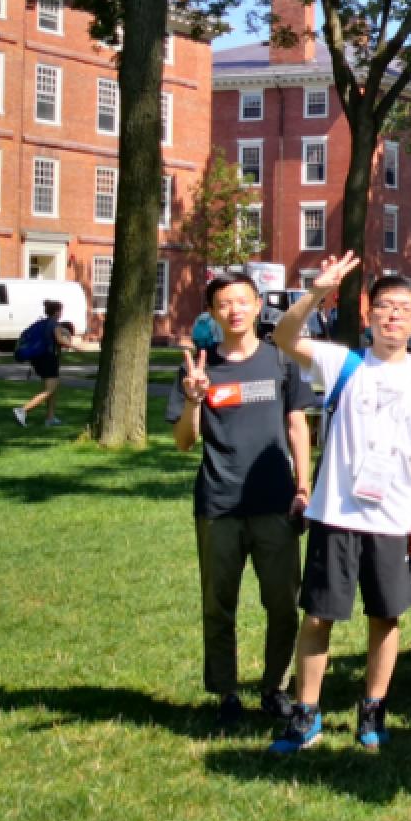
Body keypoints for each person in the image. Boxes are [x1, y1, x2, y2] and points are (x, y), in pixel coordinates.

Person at [269, 253, 411, 756]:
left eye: (405, 309)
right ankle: (306, 714)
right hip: (336, 513)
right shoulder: (343, 363)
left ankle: (373, 709)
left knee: (385, 617)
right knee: (318, 617)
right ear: (369, 313)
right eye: (385, 307)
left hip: (393, 518)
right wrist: (316, 291)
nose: (394, 316)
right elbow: (284, 337)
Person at [168, 272, 312, 731]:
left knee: (283, 605)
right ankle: (226, 692)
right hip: (219, 504)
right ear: (213, 312)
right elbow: (184, 442)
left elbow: (297, 425)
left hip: (275, 502)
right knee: (219, 605)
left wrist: (303, 486)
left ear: (257, 305)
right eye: (224, 303)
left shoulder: (281, 360)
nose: (235, 310)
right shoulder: (199, 368)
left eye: (242, 301)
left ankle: (274, 688)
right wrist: (194, 400)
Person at [10, 298, 72, 428]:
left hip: (39, 359)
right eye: (61, 311)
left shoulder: (44, 322)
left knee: (52, 389)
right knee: (49, 390)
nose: (61, 313)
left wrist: (64, 331)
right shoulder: (54, 324)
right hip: (49, 359)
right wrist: (75, 346)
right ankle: (22, 410)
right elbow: (60, 340)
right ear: (57, 312)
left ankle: (50, 418)